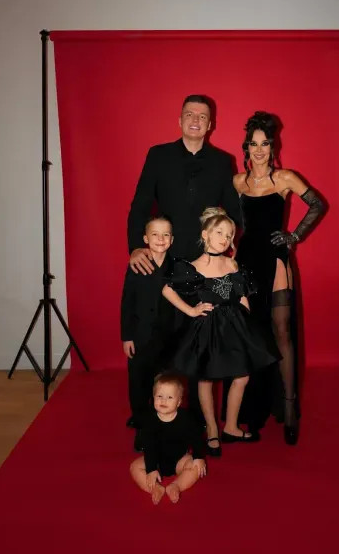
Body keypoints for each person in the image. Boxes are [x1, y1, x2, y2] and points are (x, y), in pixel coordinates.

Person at [233, 111, 325, 445]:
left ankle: (288, 409)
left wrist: (294, 236)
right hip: (246, 260)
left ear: (273, 147)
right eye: (254, 143)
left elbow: (317, 204)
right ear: (246, 146)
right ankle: (253, 407)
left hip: (274, 259)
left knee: (282, 332)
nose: (259, 150)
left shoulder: (284, 178)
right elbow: (227, 219)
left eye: (265, 144)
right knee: (252, 333)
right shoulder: (238, 182)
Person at [162, 207, 280, 457]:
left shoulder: (232, 263)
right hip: (207, 326)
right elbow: (167, 290)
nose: (226, 239)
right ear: (205, 234)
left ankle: (231, 426)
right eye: (220, 233)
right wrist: (191, 310)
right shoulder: (191, 267)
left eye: (229, 235)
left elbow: (241, 294)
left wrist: (247, 323)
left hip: (235, 325)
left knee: (242, 376)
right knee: (206, 378)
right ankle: (213, 429)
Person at [127, 94, 241, 273]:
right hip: (163, 257)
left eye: (202, 116)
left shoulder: (222, 162)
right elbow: (141, 203)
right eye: (189, 114)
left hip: (206, 262)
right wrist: (135, 247)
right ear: (180, 121)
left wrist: (239, 246)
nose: (195, 120)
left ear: (209, 125)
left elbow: (234, 211)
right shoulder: (158, 156)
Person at [121, 216, 175, 451]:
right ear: (145, 239)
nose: (160, 239)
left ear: (172, 240)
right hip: (141, 337)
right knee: (138, 383)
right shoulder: (136, 265)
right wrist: (127, 336)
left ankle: (166, 425)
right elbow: (127, 302)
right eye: (155, 234)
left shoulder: (177, 267)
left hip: (168, 338)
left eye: (165, 235)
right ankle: (142, 426)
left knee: (165, 384)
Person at [130, 373, 206, 505]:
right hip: (156, 461)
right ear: (153, 397)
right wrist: (151, 469)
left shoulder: (186, 418)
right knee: (134, 467)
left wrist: (198, 456)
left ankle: (176, 485)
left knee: (196, 468)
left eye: (170, 397)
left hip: (179, 460)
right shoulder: (149, 420)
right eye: (159, 396)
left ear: (179, 402)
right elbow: (149, 446)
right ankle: (155, 488)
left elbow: (197, 438)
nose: (163, 401)